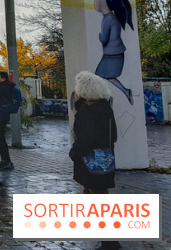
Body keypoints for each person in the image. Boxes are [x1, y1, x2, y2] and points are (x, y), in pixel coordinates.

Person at [69, 71, 119, 250]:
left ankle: (110, 242)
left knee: (98, 198)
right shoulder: (106, 108)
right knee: (95, 194)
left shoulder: (86, 111)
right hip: (105, 157)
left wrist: (74, 152)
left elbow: (85, 138)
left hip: (88, 158)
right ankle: (107, 239)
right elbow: (114, 135)